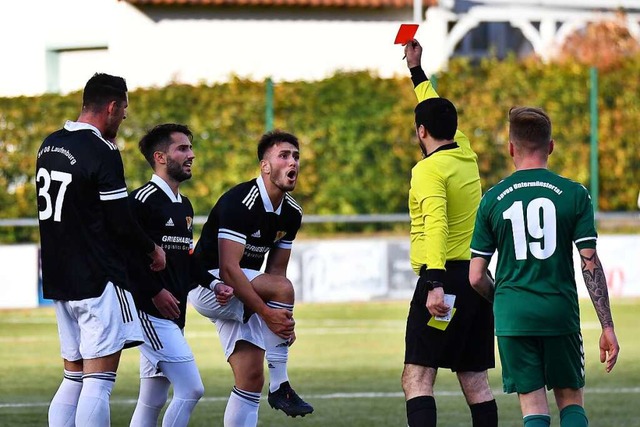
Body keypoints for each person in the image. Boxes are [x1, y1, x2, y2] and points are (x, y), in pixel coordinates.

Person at [469, 106, 620, 427]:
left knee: (533, 407)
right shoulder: (574, 194)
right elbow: (589, 262)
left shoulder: (492, 199)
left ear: (511, 148)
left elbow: (476, 277)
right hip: (558, 313)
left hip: (513, 318)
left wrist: (506, 300)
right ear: (550, 146)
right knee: (570, 400)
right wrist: (607, 326)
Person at [36, 72, 166, 427]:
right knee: (98, 381)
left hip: (61, 279)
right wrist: (152, 248)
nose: (124, 117)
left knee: (73, 377)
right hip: (99, 279)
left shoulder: (49, 144)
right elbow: (120, 220)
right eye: (123, 109)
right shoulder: (102, 151)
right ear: (111, 107)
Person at [401, 39, 498, 427]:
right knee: (474, 379)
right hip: (476, 280)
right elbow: (437, 108)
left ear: (421, 131)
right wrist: (416, 71)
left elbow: (437, 224)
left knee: (418, 376)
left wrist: (435, 284)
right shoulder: (466, 152)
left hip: (444, 280)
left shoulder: (428, 170)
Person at [189, 129, 313, 425]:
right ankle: (281, 385)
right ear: (265, 166)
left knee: (250, 377)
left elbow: (275, 271)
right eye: (283, 156)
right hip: (210, 284)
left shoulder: (292, 214)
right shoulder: (241, 202)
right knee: (282, 290)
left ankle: (273, 384)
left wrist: (279, 322)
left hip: (241, 291)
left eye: (296, 156)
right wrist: (271, 314)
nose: (292, 162)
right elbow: (230, 267)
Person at [127, 124, 217, 426]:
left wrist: (214, 283)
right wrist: (153, 291)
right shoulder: (141, 201)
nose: (191, 154)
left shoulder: (185, 205)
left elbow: (184, 260)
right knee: (192, 389)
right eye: (182, 148)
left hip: (174, 316)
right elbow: (124, 257)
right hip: (149, 314)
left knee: (151, 399)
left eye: (190, 147)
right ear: (160, 157)